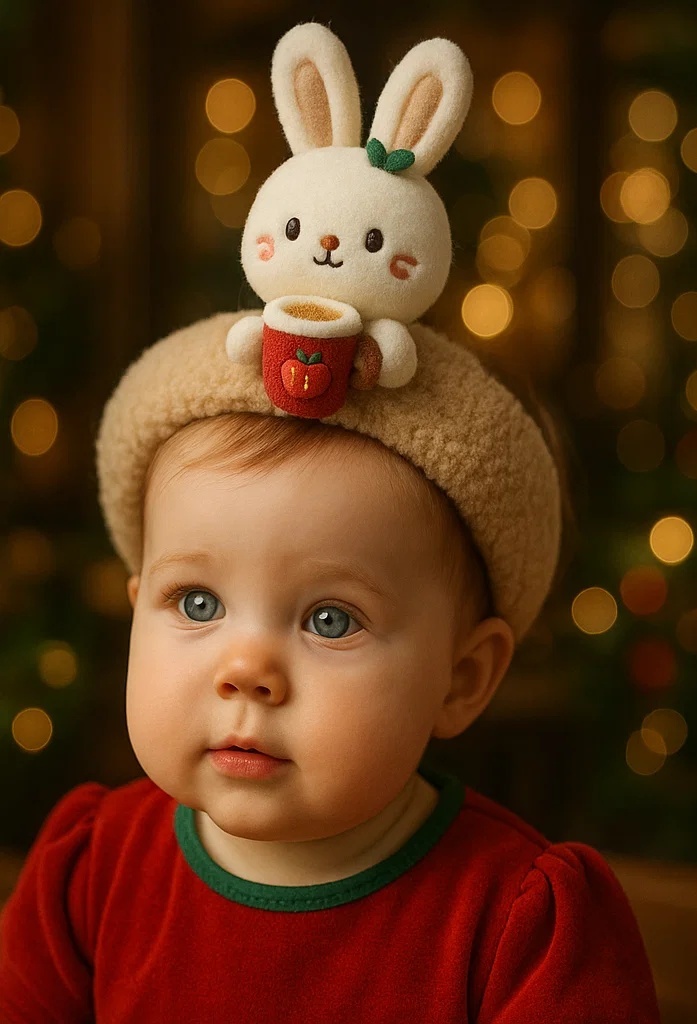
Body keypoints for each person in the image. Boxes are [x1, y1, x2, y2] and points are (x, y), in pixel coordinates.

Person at [0, 21, 662, 1024]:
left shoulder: (521, 922)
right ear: (135, 606)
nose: (246, 667)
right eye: (196, 600)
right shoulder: (85, 876)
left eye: (330, 619)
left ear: (463, 674)